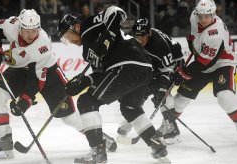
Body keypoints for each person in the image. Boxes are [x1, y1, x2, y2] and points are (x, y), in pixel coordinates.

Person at [0, 9, 116, 159]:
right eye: (26, 31)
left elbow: (37, 78)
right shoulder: (11, 25)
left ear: (39, 28)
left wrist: (25, 100)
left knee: (69, 117)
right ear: (20, 26)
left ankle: (99, 137)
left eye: (34, 31)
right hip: (19, 69)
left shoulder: (42, 44)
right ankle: (4, 140)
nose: (30, 35)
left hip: (48, 75)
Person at [57, 6, 170, 163]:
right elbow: (100, 75)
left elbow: (117, 12)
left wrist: (106, 37)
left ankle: (98, 151)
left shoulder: (89, 25)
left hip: (127, 63)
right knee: (129, 108)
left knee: (87, 101)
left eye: (68, 35)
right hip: (142, 67)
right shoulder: (86, 52)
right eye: (65, 40)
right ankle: (157, 144)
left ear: (75, 26)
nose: (69, 40)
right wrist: (83, 81)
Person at [172, 0, 237, 144]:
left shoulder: (216, 33)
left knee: (225, 97)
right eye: (201, 16)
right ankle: (169, 128)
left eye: (207, 16)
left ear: (213, 14)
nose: (203, 19)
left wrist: (185, 72)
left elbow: (206, 62)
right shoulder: (195, 16)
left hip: (222, 63)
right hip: (203, 60)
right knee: (180, 98)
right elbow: (194, 36)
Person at [117, 18, 185, 145]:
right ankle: (129, 121)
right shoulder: (133, 41)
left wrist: (162, 87)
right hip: (151, 67)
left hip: (170, 66)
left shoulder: (159, 46)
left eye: (142, 35)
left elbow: (167, 69)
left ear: (149, 33)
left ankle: (172, 128)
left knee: (163, 94)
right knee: (137, 93)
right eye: (136, 35)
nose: (139, 39)